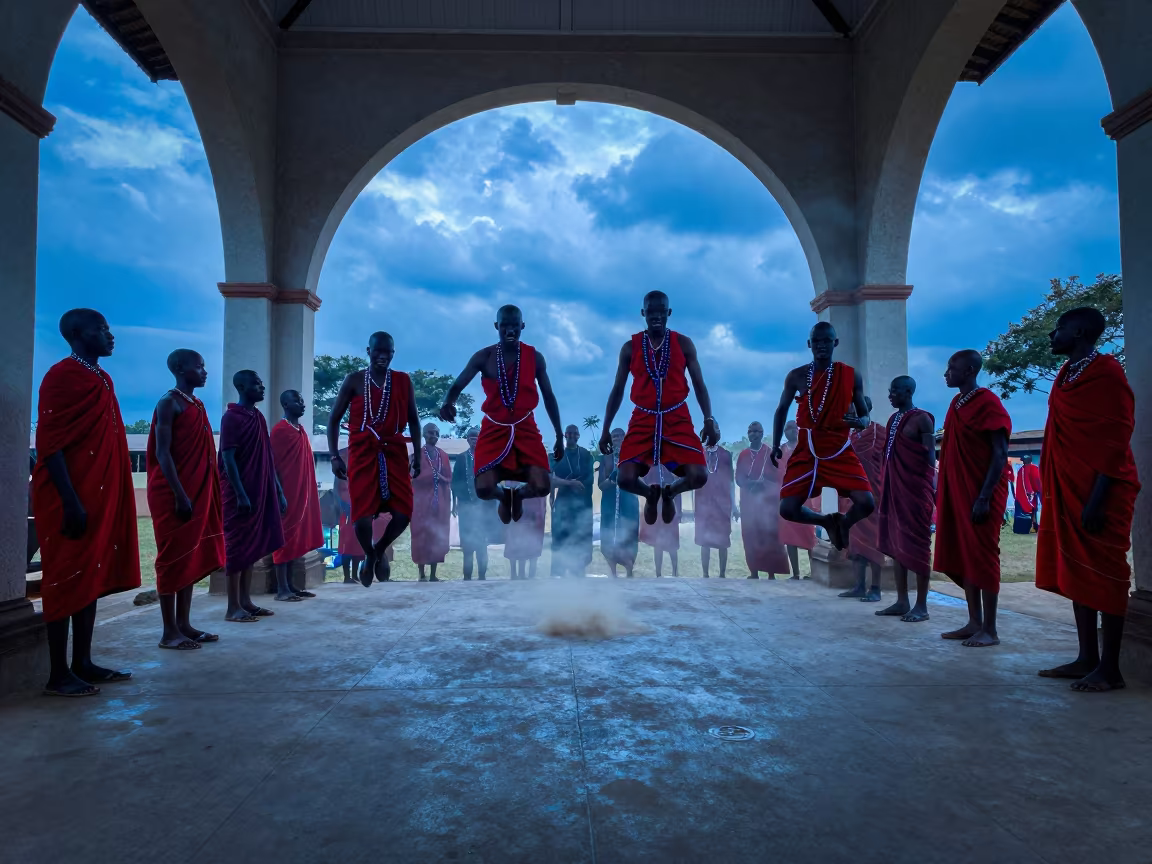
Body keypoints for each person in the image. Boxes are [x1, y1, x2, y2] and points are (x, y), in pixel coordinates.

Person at [34, 309, 140, 696]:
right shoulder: (61, 376)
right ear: (78, 334)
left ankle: (82, 661)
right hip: (68, 497)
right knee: (64, 578)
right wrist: (70, 501)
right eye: (102, 330)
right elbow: (51, 445)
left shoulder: (102, 378)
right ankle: (56, 673)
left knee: (90, 576)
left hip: (98, 494)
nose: (111, 336)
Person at [1036, 308, 1140, 692]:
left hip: (1103, 491)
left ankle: (1110, 669)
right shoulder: (1065, 375)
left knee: (1107, 574)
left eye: (1059, 327)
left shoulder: (1108, 373)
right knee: (1078, 574)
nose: (1052, 334)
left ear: (1078, 331)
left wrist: (1096, 500)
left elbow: (1115, 440)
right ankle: (1086, 658)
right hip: (1069, 488)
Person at [599, 291, 718, 527]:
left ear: (668, 313)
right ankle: (651, 494)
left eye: (661, 311)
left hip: (677, 415)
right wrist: (605, 428)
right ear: (643, 313)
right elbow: (618, 389)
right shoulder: (629, 348)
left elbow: (699, 385)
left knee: (699, 476)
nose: (656, 316)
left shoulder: (683, 344)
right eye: (651, 311)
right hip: (643, 417)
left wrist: (709, 419)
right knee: (625, 478)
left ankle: (671, 492)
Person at [439, 305, 564, 524]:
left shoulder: (535, 357)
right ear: (496, 326)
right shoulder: (483, 356)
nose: (509, 331)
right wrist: (448, 401)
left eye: (514, 326)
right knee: (484, 488)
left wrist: (559, 434)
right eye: (504, 326)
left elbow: (549, 396)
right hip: (494, 427)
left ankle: (520, 495)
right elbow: (458, 383)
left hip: (525, 427)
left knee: (543, 485)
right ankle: (503, 496)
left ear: (522, 326)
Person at [327, 332, 422, 586]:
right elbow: (334, 419)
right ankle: (370, 554)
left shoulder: (402, 381)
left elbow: (413, 419)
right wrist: (335, 456)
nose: (383, 356)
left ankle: (378, 550)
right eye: (377, 351)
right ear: (368, 351)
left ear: (393, 353)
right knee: (362, 514)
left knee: (403, 513)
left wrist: (419, 455)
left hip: (394, 451)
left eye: (388, 352)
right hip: (362, 451)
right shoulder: (354, 380)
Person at [147, 349, 226, 650]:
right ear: (181, 368)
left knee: (190, 556)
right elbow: (162, 453)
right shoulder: (169, 403)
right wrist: (179, 493)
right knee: (171, 560)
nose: (204, 372)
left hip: (195, 492)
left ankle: (184, 624)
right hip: (173, 493)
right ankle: (169, 632)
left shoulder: (197, 404)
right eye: (199, 366)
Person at [771, 322, 874, 550]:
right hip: (808, 449)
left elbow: (865, 414)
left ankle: (844, 524)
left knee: (867, 503)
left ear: (835, 342)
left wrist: (860, 422)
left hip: (838, 447)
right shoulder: (796, 376)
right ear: (809, 344)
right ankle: (826, 521)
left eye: (826, 341)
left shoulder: (850, 375)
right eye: (816, 341)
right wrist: (775, 444)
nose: (821, 346)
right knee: (787, 508)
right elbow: (781, 410)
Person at [934, 350, 1013, 647]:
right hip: (958, 492)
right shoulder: (956, 403)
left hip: (982, 492)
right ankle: (973, 621)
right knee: (964, 553)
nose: (946, 373)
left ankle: (990, 629)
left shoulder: (988, 402)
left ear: (968, 370)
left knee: (983, 555)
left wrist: (984, 496)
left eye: (951, 367)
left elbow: (999, 453)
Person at [219, 371, 287, 622]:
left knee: (250, 548)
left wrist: (277, 489)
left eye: (261, 383)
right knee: (236, 549)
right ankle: (232, 607)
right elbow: (227, 458)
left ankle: (246, 601)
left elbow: (267, 456)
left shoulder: (257, 417)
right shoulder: (231, 418)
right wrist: (240, 493)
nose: (262, 387)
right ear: (241, 386)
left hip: (259, 489)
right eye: (256, 384)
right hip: (240, 494)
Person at [875, 376, 936, 622]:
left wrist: (923, 487)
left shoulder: (922, 418)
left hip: (915, 491)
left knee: (919, 546)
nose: (890, 395)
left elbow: (929, 459)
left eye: (895, 391)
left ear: (908, 391)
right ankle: (902, 601)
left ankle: (921, 605)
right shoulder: (893, 419)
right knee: (897, 543)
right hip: (894, 489)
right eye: (890, 391)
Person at [269, 389, 322, 601]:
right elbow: (270, 465)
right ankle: (281, 589)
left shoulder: (300, 430)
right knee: (284, 537)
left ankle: (291, 585)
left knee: (296, 537)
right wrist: (279, 493)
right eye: (296, 400)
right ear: (285, 405)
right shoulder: (280, 431)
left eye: (301, 399)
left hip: (301, 492)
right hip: (285, 493)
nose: (302, 403)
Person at [838, 397, 886, 602]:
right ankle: (858, 586)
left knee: (873, 542)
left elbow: (885, 461)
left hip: (872, 493)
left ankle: (875, 588)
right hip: (852, 495)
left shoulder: (878, 432)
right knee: (855, 543)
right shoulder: (850, 436)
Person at [737, 421, 789, 579]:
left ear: (762, 433)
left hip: (767, 504)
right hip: (749, 503)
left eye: (757, 431)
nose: (753, 434)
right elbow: (738, 478)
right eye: (750, 431)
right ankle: (753, 571)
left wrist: (764, 484)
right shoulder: (743, 455)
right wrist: (750, 483)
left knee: (768, 536)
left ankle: (771, 573)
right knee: (750, 536)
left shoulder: (769, 453)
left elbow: (778, 479)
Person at [551, 425, 594, 577]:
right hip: (563, 505)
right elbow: (550, 479)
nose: (571, 436)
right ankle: (559, 577)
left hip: (582, 506)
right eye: (569, 433)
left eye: (574, 433)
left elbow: (590, 479)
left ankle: (579, 576)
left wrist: (575, 484)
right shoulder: (556, 455)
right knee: (561, 539)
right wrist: (570, 483)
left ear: (578, 435)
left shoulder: (586, 454)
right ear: (565, 435)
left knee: (580, 540)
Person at [411, 423, 452, 582]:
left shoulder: (444, 455)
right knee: (421, 536)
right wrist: (429, 476)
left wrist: (439, 478)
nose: (433, 436)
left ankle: (434, 574)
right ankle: (421, 573)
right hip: (421, 503)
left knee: (437, 536)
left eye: (436, 433)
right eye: (430, 433)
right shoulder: (417, 455)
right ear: (423, 435)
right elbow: (412, 477)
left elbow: (449, 477)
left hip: (439, 502)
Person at [777, 419, 817, 578]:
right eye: (787, 428)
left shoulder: (807, 448)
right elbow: (777, 474)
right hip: (786, 497)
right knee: (789, 537)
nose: (791, 431)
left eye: (794, 428)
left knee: (809, 536)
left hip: (804, 497)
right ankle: (796, 573)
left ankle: (814, 572)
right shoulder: (780, 451)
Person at [598, 427, 640, 578]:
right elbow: (601, 485)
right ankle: (613, 572)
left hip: (628, 503)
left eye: (619, 436)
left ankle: (629, 570)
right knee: (608, 535)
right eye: (614, 436)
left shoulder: (632, 457)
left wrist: (623, 479)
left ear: (625, 437)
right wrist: (612, 479)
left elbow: (638, 480)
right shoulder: (605, 458)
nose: (616, 438)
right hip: (609, 503)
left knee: (628, 535)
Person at [696, 423, 736, 578]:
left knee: (722, 540)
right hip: (703, 504)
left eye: (715, 430)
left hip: (722, 504)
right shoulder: (698, 455)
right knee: (704, 540)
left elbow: (731, 481)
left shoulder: (726, 455)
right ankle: (705, 574)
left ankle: (722, 574)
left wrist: (734, 505)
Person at [640, 463, 681, 576]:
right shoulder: (652, 465)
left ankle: (675, 572)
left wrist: (679, 510)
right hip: (656, 507)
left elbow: (679, 486)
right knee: (657, 542)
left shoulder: (672, 464)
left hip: (670, 506)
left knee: (672, 542)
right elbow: (643, 482)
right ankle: (658, 573)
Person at [504, 485, 546, 579]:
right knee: (517, 539)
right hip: (521, 502)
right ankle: (517, 574)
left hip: (533, 505)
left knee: (532, 540)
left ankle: (528, 574)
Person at [1013, 455, 1042, 534]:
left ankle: (1034, 526)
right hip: (1034, 493)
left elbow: (1025, 482)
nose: (1023, 462)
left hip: (1028, 494)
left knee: (1031, 510)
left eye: (1023, 461)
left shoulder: (1023, 470)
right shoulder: (1035, 468)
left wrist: (1030, 492)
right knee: (1034, 510)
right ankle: (1034, 526)